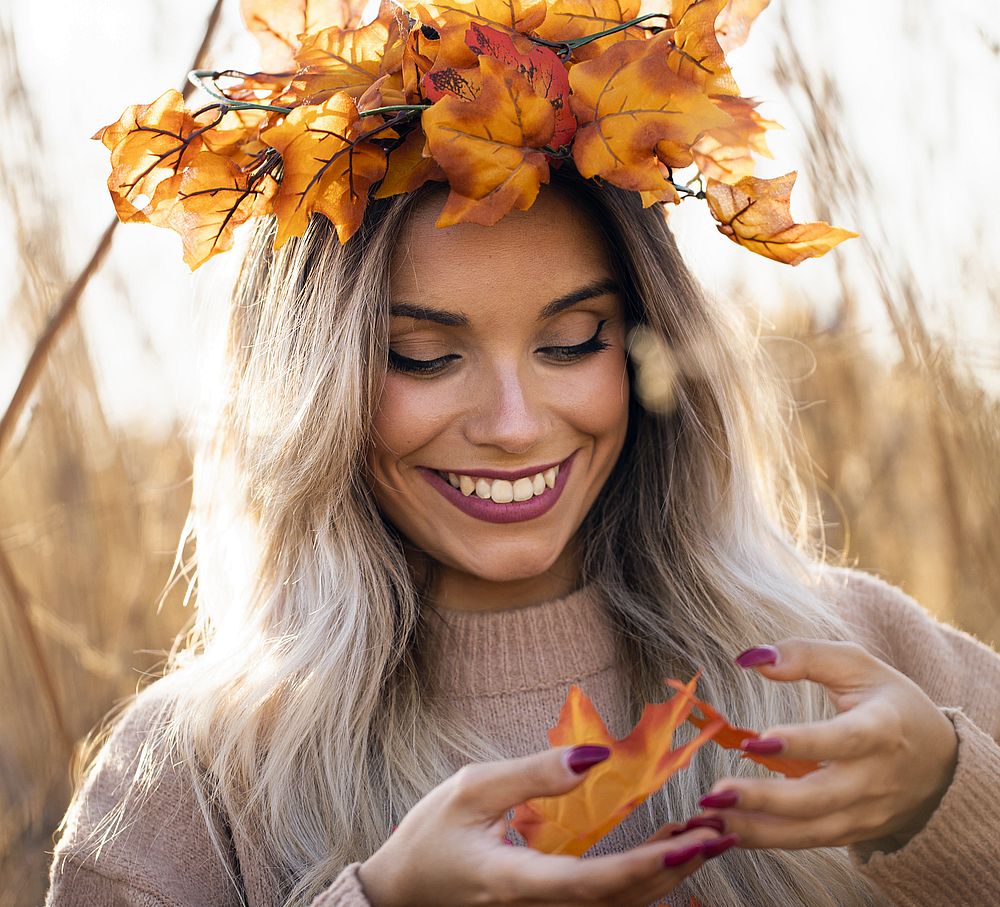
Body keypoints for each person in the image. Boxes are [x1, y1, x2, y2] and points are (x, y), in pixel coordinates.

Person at [44, 162, 1000, 907]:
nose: (513, 423)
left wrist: (949, 801)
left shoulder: (853, 658)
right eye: (422, 355)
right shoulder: (192, 777)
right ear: (313, 382)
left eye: (571, 340)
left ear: (642, 348)